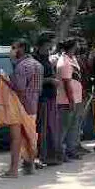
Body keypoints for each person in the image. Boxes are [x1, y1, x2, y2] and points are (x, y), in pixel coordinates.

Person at [1, 39, 43, 177]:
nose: (12, 51)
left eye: (14, 48)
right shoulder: (37, 64)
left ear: (22, 48)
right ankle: (29, 166)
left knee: (16, 138)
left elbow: (19, 88)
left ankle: (13, 170)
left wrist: (6, 81)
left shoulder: (21, 66)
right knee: (30, 136)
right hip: (33, 105)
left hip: (20, 106)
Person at [34, 32, 62, 166]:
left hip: (51, 95)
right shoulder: (35, 58)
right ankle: (42, 156)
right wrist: (50, 80)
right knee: (43, 127)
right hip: (42, 97)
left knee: (51, 127)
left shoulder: (47, 57)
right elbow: (34, 79)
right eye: (51, 42)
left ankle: (51, 156)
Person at [57, 38, 84, 161]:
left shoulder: (72, 59)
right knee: (64, 128)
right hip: (66, 101)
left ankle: (71, 151)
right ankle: (60, 153)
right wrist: (71, 101)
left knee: (74, 126)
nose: (79, 47)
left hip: (76, 99)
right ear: (73, 47)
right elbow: (67, 83)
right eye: (77, 45)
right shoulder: (64, 63)